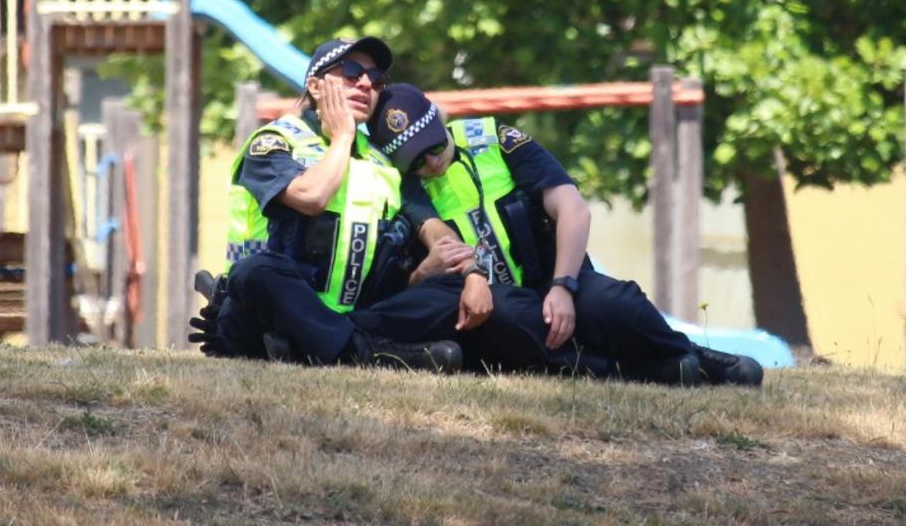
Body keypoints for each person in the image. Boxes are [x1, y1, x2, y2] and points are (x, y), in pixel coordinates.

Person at [365, 83, 764, 387]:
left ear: (440, 119)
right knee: (511, 319)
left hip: (554, 279)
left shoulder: (496, 141)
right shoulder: (404, 187)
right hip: (495, 304)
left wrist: (562, 286)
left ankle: (688, 354)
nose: (431, 162)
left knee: (612, 302)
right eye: (414, 160)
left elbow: (572, 208)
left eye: (432, 146)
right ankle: (637, 371)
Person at [189, 37, 545, 373]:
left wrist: (472, 274)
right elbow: (311, 198)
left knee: (448, 292)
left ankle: (326, 346)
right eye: (351, 73)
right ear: (315, 86)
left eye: (376, 79)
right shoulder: (274, 142)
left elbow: (436, 231)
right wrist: (342, 135)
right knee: (256, 271)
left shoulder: (383, 162)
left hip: (355, 315)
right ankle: (368, 354)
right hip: (267, 312)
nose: (366, 85)